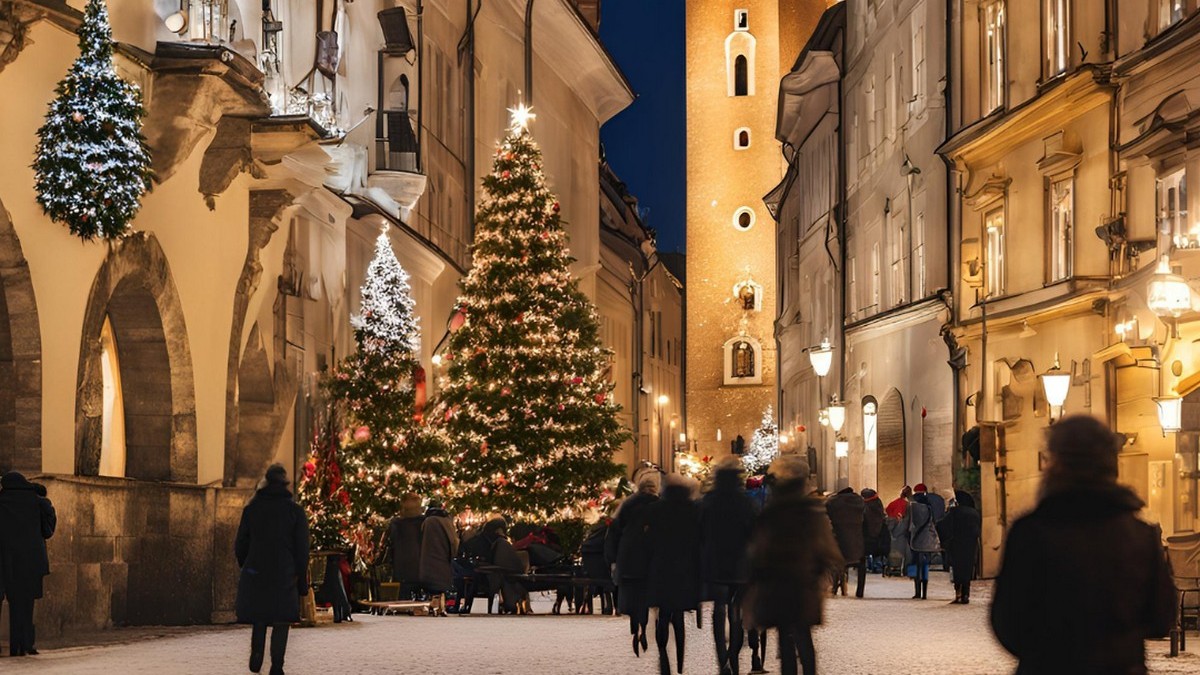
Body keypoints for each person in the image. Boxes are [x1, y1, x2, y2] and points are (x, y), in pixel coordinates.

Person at [991, 416, 1176, 673]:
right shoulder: (1139, 534)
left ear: (1056, 463)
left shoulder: (1032, 531)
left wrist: (1045, 651)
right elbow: (1160, 619)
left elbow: (1008, 620)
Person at [745, 456, 842, 675]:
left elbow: (758, 550)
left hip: (776, 584)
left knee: (785, 640)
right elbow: (828, 550)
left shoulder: (771, 514)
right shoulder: (812, 512)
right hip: (803, 584)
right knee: (804, 638)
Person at [235, 464, 308, 675]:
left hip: (257, 569)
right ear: (284, 485)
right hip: (285, 572)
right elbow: (302, 550)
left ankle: (257, 654)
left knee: (260, 616)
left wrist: (247, 565)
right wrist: (301, 580)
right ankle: (277, 665)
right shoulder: (295, 512)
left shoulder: (251, 509)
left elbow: (241, 544)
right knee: (281, 619)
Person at [700, 458, 757, 675]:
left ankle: (721, 657)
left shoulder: (709, 501)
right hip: (740, 565)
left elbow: (700, 532)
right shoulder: (745, 502)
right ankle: (733, 654)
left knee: (718, 610)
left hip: (715, 563)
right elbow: (753, 531)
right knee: (737, 612)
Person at [646, 475, 702, 675]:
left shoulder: (655, 510)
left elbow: (647, 542)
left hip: (661, 568)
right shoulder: (693, 510)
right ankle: (680, 660)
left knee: (664, 611)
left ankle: (663, 653)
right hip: (685, 570)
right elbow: (699, 542)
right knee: (678, 615)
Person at [0, 472, 56, 657]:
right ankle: (23, 644)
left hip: (4, 561)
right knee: (24, 605)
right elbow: (48, 531)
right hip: (30, 562)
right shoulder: (38, 501)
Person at [606, 473, 660, 656]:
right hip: (648, 558)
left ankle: (634, 626)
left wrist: (613, 558)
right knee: (644, 594)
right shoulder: (658, 505)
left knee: (631, 593)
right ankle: (643, 627)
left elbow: (613, 532)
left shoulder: (627, 505)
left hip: (628, 556)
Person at [936, 489, 981, 604]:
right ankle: (966, 594)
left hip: (957, 544)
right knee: (967, 569)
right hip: (970, 544)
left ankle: (958, 594)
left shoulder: (955, 512)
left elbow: (943, 526)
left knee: (957, 569)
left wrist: (945, 540)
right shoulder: (974, 513)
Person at [418, 500, 458, 616]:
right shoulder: (447, 521)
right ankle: (440, 607)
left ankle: (433, 606)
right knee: (440, 585)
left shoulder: (428, 521)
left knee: (431, 584)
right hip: (443, 558)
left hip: (428, 558)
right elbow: (454, 541)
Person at [825, 487, 866, 598]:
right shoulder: (860, 502)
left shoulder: (832, 502)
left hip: (839, 541)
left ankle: (834, 588)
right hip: (857, 542)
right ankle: (860, 591)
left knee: (834, 562)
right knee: (861, 564)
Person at [386, 493, 425, 599]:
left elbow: (391, 541)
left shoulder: (396, 524)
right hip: (418, 561)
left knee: (403, 589)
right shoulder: (423, 523)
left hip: (401, 562)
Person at [902, 491, 939, 600]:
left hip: (915, 540)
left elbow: (907, 524)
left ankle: (917, 591)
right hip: (926, 541)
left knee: (914, 564)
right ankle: (924, 593)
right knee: (925, 567)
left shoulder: (912, 509)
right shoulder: (929, 509)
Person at [860, 488, 888, 573]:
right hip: (879, 532)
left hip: (867, 533)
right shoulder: (878, 503)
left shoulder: (865, 506)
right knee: (877, 549)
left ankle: (869, 565)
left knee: (867, 549)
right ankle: (877, 566)